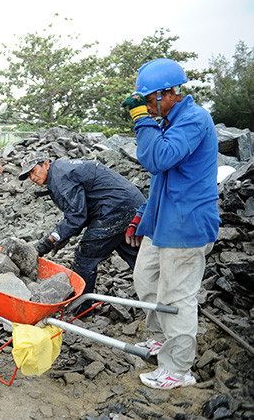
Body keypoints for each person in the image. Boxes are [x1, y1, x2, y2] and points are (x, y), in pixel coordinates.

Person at [122, 58, 219, 390]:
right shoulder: (167, 123)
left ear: (169, 94)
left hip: (188, 224)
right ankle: (162, 339)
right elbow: (162, 179)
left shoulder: (193, 120)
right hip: (163, 221)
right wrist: (141, 218)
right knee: (145, 279)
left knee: (176, 298)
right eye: (144, 103)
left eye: (149, 101)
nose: (148, 107)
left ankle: (178, 369)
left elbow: (156, 159)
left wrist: (141, 121)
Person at [18, 152, 146, 307]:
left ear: (45, 163)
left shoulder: (60, 177)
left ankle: (81, 308)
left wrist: (48, 242)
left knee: (85, 256)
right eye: (28, 175)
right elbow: (81, 212)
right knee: (133, 253)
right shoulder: (60, 172)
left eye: (33, 171)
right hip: (128, 205)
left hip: (116, 208)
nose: (32, 177)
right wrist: (62, 237)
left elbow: (76, 216)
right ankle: (159, 293)